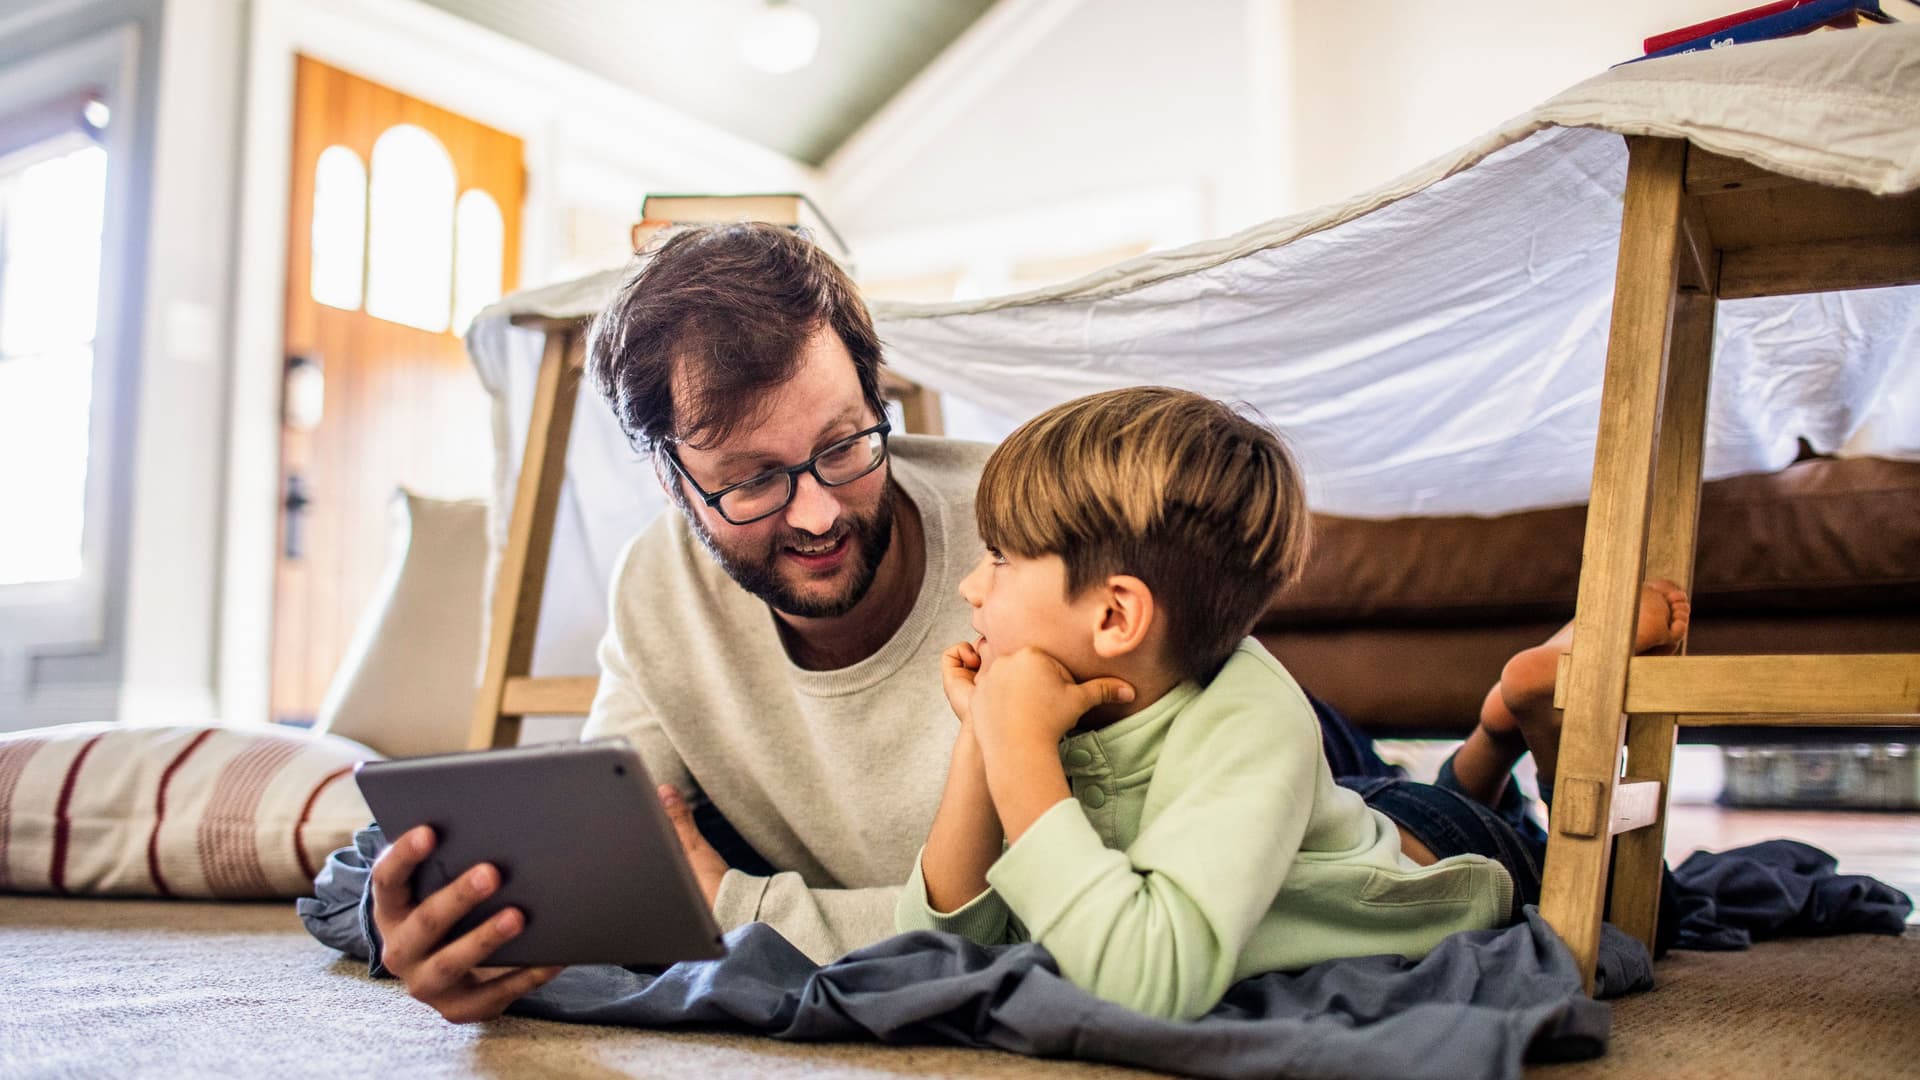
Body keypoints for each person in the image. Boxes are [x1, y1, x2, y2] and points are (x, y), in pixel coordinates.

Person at [894, 386, 1689, 1021]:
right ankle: (1494, 732)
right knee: (1361, 805)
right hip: (1334, 821)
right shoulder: (1055, 700)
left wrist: (1020, 752)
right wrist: (986, 739)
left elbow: (1146, 985)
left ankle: (1522, 722)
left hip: (1437, 855)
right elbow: (928, 956)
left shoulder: (1248, 711)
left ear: (1114, 617)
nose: (971, 585)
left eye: (998, 559)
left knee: (1630, 898)